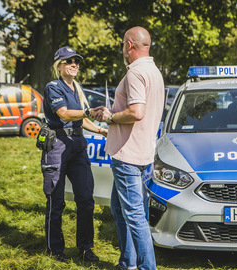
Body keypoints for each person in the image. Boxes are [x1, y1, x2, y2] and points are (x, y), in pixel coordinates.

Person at [92, 26, 165, 270]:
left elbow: (136, 112)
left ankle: (145, 267)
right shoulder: (154, 71)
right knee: (119, 207)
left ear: (130, 45)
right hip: (143, 152)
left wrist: (110, 117)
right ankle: (127, 263)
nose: (123, 49)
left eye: (124, 44)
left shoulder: (135, 73)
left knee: (134, 215)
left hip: (128, 155)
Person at [42, 46, 107, 263]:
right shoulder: (53, 87)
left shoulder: (76, 88)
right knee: (56, 200)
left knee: (86, 198)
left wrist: (102, 130)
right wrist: (88, 111)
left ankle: (85, 248)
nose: (74, 64)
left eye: (76, 61)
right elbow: (65, 114)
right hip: (58, 145)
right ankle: (55, 250)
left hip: (78, 145)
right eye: (69, 61)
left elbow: (81, 119)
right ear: (59, 66)